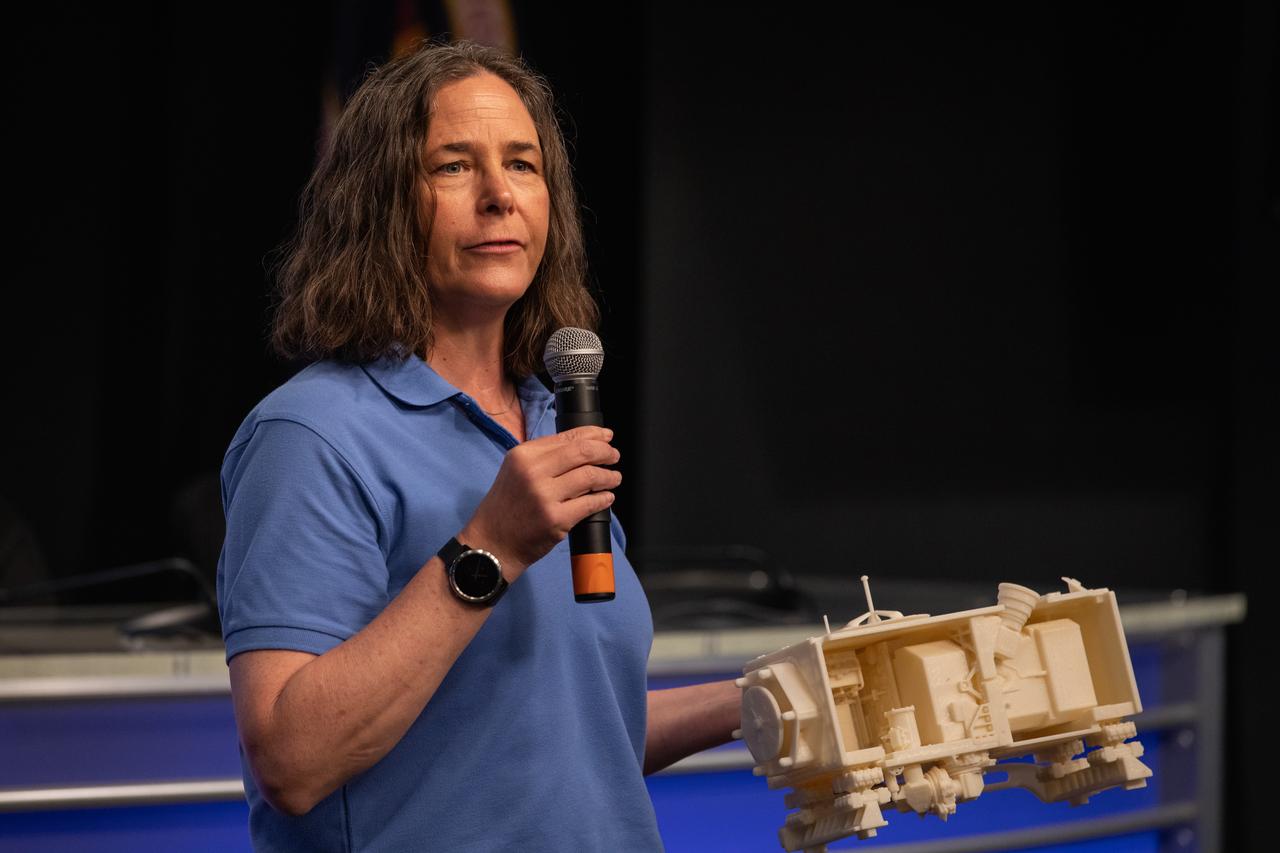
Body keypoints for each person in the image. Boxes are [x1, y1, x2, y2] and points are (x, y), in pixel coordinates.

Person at [217, 40, 740, 852]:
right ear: (383, 204)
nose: (500, 196)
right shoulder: (312, 435)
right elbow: (292, 759)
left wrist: (762, 694)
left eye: (523, 165)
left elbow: (575, 732)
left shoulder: (552, 418)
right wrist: (489, 548)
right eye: (455, 166)